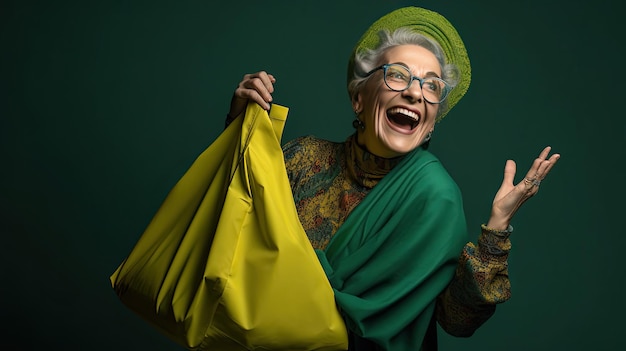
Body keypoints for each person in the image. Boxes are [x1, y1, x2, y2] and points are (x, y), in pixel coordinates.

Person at [223, 6, 559, 351]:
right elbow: (228, 234)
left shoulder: (435, 198)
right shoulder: (301, 159)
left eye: (431, 85)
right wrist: (240, 127)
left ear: (430, 122)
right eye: (398, 75)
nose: (415, 92)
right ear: (359, 98)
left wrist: (497, 229)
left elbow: (458, 321)